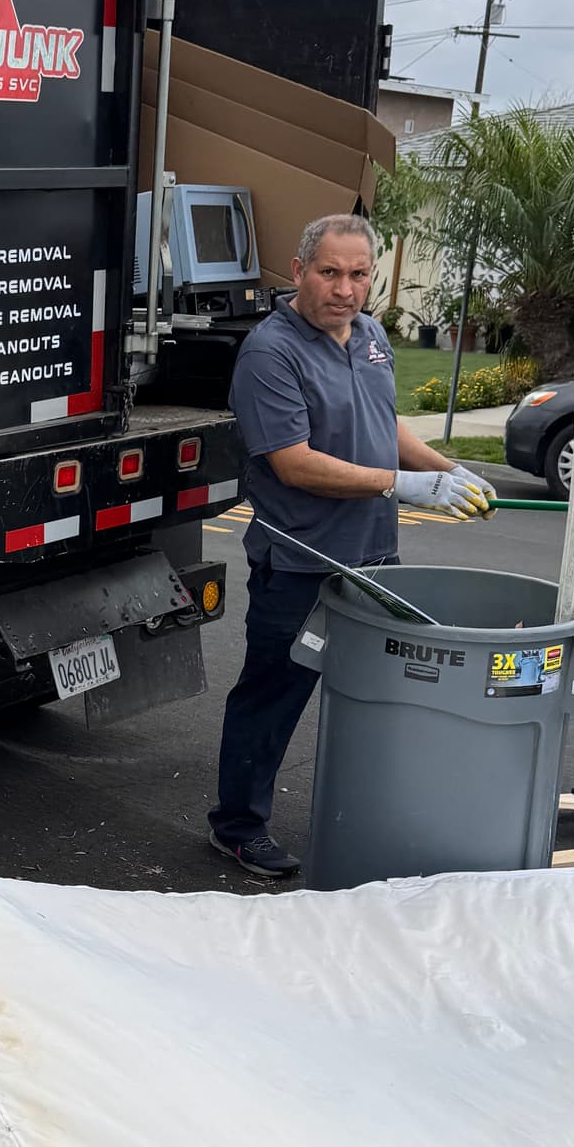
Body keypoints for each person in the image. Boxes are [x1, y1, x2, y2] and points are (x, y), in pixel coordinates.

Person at [207, 213, 496, 879]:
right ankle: (238, 827)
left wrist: (446, 470)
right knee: (273, 696)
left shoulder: (369, 336)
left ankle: (374, 815)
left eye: (359, 274)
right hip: (302, 560)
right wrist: (403, 486)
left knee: (381, 693)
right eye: (330, 272)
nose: (344, 289)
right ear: (300, 269)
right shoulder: (270, 352)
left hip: (374, 557)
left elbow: (384, 422)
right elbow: (293, 463)